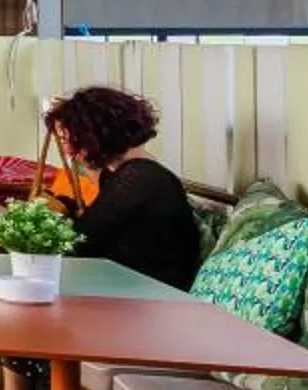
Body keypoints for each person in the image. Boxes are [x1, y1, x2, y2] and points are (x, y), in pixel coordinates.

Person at [48, 85, 203, 290]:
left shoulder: (139, 177)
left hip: (153, 296)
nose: (68, 151)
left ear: (97, 135)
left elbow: (80, 242)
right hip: (128, 285)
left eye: (71, 140)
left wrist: (56, 213)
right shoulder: (121, 174)